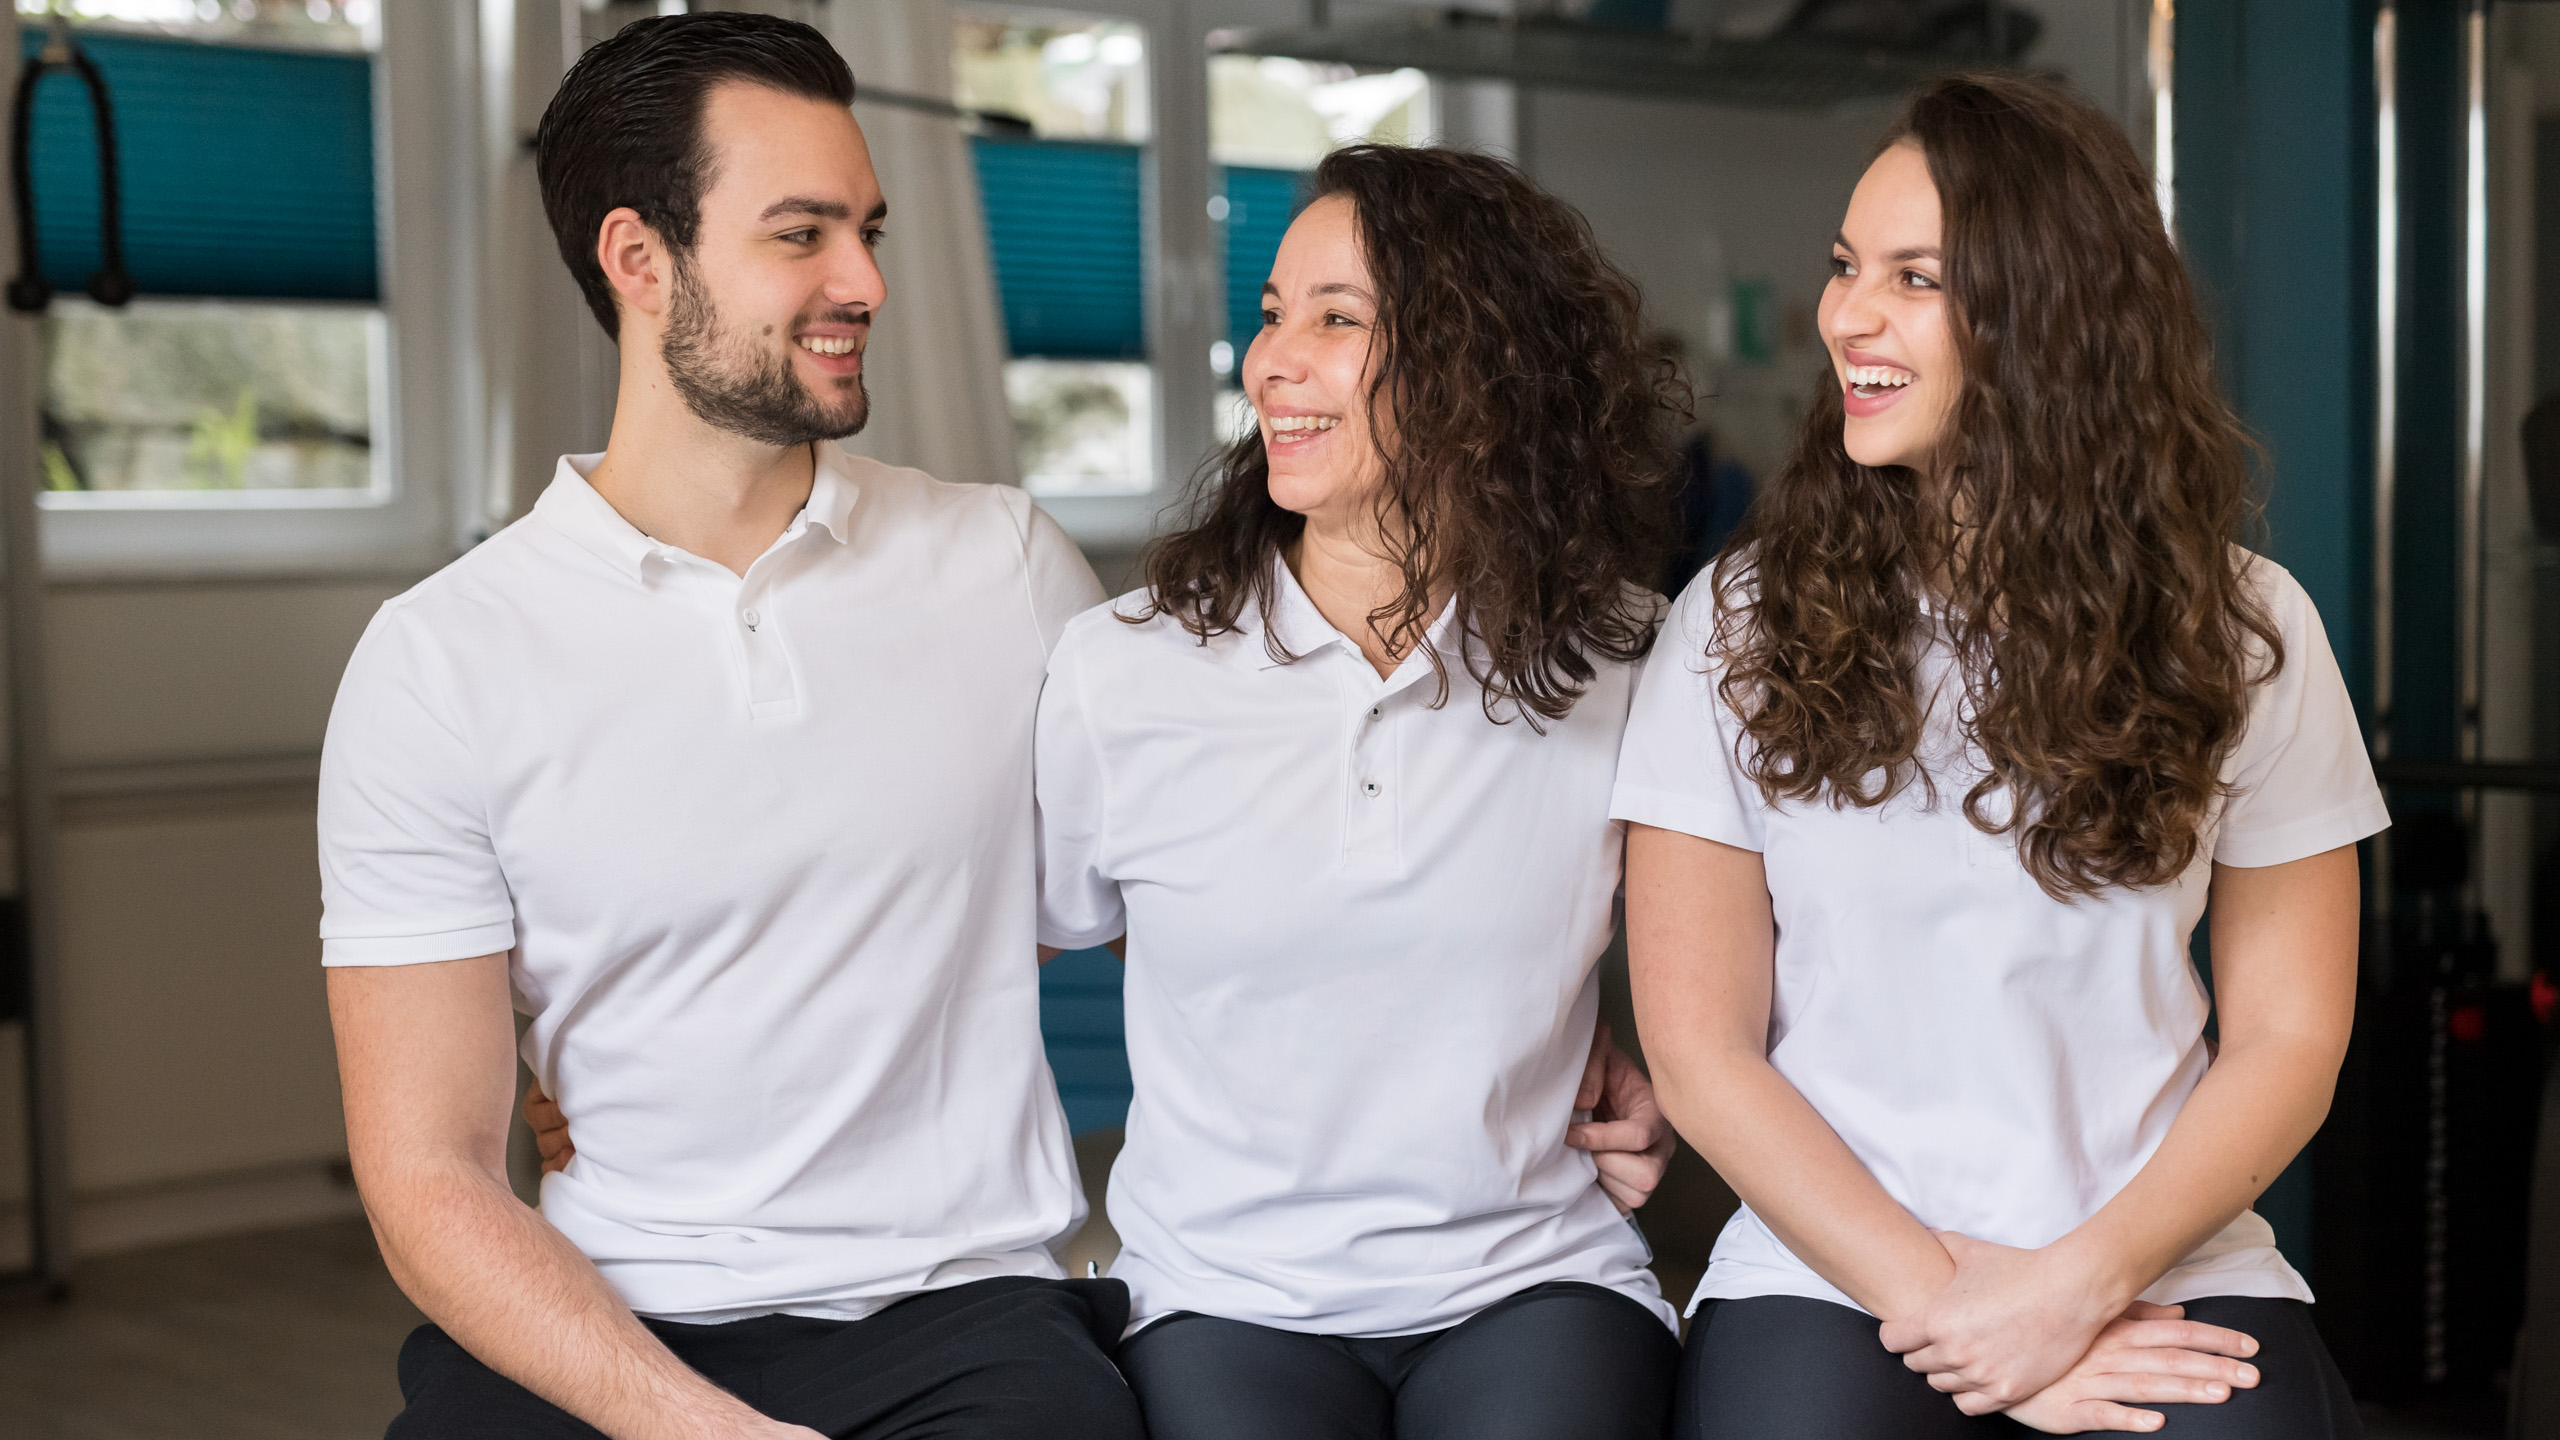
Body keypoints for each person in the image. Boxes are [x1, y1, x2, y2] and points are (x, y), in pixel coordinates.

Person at [317, 14, 1142, 1440]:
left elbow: (1203, 896)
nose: (866, 281)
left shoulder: (1003, 567)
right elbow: (429, 1178)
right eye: (802, 235)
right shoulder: (440, 661)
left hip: (969, 1314)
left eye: (869, 229)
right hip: (600, 1315)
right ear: (640, 261)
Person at [1618, 73, 2382, 1438]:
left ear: (2050, 318)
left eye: (1915, 278)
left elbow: (2291, 1037)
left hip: (2160, 1255)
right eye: (1849, 268)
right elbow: (1700, 1049)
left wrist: (2078, 1288)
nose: (1846, 315)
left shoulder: (2248, 626)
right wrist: (1967, 1312)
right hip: (1827, 1269)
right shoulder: (1732, 623)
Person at [1043, 143, 1686, 1440]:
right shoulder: (1123, 668)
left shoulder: (1633, 657)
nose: (1271, 361)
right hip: (1225, 1289)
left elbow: (1773, 939)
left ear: (1483, 368)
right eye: (1274, 315)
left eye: (1338, 321)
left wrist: (1679, 1066)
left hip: (1534, 1275)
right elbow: (1033, 940)